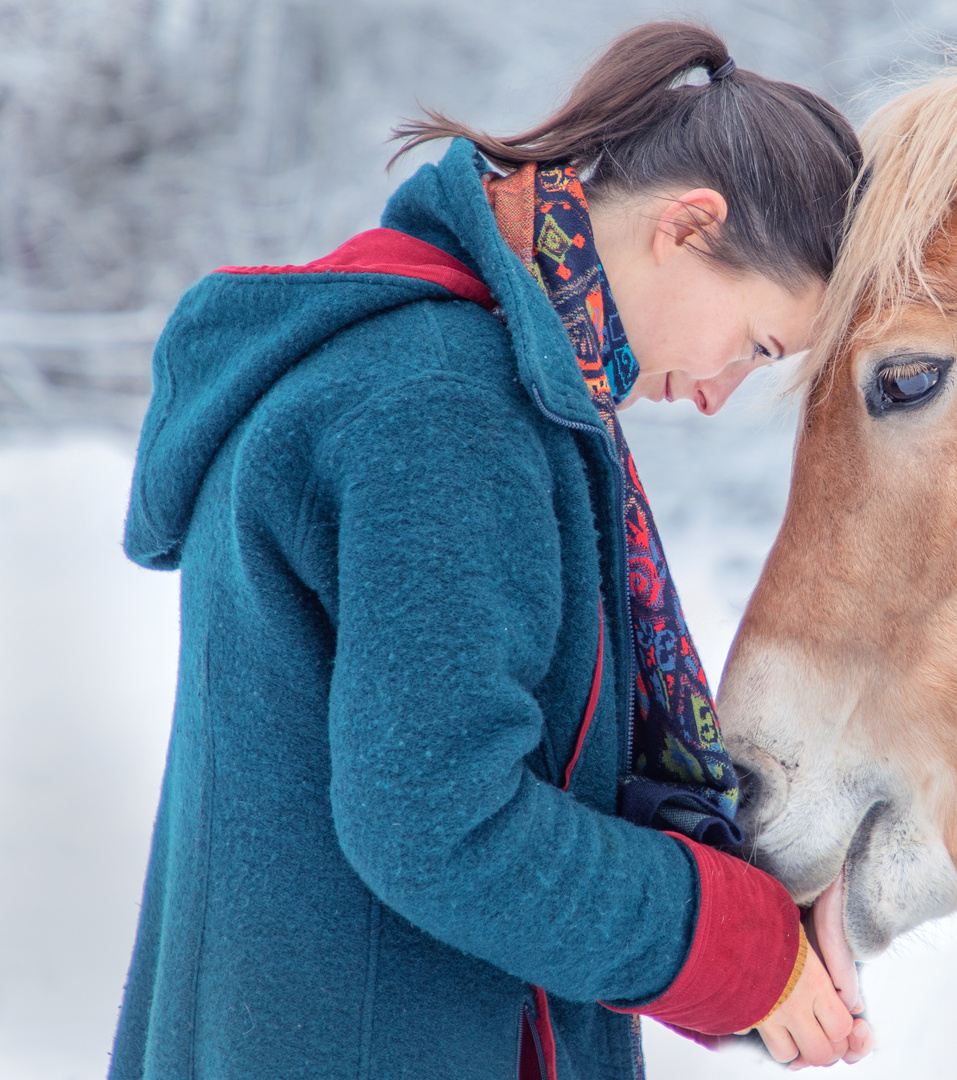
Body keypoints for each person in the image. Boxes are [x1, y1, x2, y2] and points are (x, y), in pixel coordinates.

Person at [112, 21, 870, 1079]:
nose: (716, 395)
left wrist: (762, 913)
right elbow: (442, 823)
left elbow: (518, 758)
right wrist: (728, 948)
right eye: (756, 344)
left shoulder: (457, 373)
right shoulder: (444, 407)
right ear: (690, 225)